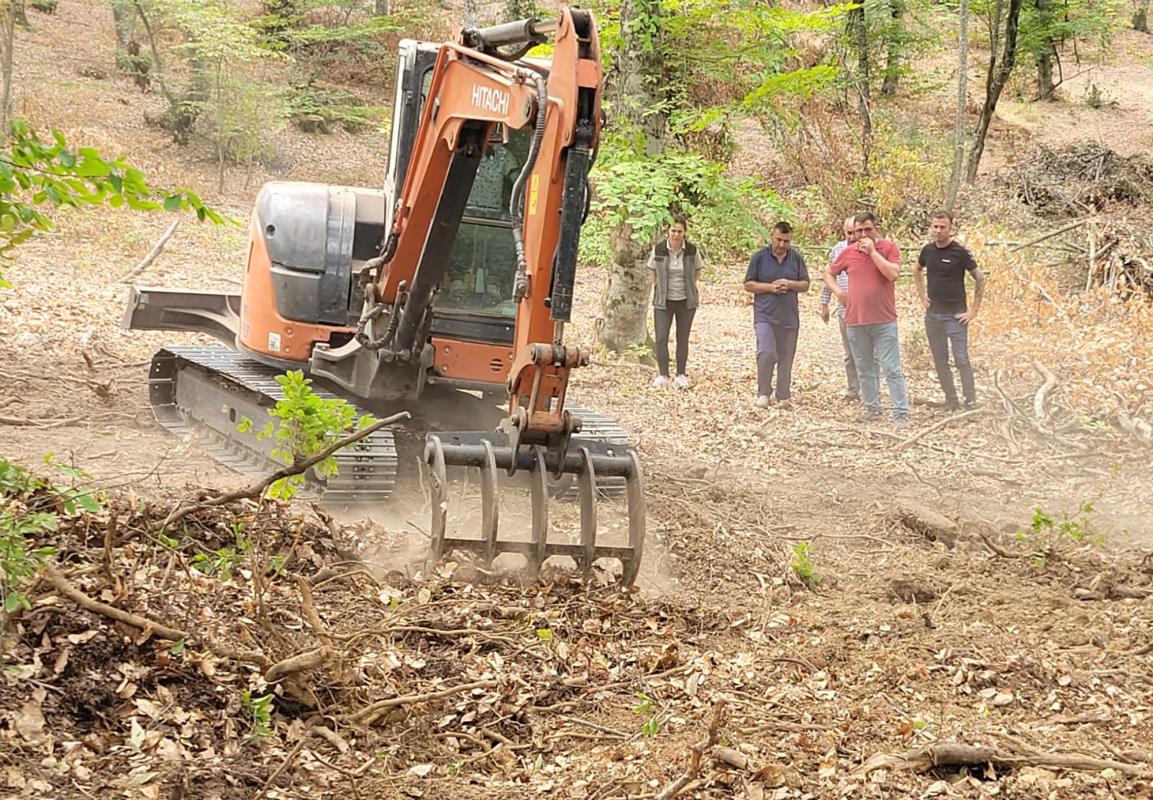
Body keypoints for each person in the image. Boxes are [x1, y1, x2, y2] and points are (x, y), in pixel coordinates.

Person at [825, 212, 910, 427]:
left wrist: (872, 252)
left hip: (884, 320)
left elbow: (892, 274)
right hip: (855, 321)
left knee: (891, 368)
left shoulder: (889, 248)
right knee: (863, 368)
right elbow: (829, 273)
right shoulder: (847, 252)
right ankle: (872, 407)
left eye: (867, 230)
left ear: (875, 229)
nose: (862, 235)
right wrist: (838, 293)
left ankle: (900, 412)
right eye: (858, 231)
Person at [914, 210, 987, 411]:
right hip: (933, 316)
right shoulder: (927, 250)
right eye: (935, 226)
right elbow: (917, 270)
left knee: (962, 360)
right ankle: (951, 400)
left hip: (956, 317)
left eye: (942, 227)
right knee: (940, 360)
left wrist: (973, 311)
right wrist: (922, 295)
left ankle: (970, 402)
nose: (938, 231)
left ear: (950, 228)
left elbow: (980, 279)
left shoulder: (960, 253)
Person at [744, 221, 810, 408]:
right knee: (766, 352)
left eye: (786, 241)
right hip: (764, 315)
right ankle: (763, 392)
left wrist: (789, 284)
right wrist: (770, 287)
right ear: (772, 237)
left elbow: (805, 284)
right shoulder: (759, 258)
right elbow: (748, 284)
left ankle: (783, 395)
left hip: (789, 317)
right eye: (779, 240)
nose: (782, 245)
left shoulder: (796, 258)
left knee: (786, 357)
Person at [649, 214, 703, 388]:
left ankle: (681, 374)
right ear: (668, 231)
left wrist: (689, 286)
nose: (676, 235)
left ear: (684, 233)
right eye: (673, 231)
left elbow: (697, 270)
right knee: (661, 337)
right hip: (663, 301)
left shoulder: (692, 251)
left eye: (679, 231)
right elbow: (652, 270)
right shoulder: (658, 249)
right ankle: (663, 374)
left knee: (682, 337)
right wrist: (659, 287)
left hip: (686, 301)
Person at [819, 216, 860, 401]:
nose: (852, 237)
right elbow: (829, 277)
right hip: (844, 310)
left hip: (867, 310)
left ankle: (870, 390)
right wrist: (824, 303)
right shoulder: (837, 249)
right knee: (849, 354)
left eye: (855, 232)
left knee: (869, 353)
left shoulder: (868, 249)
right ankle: (853, 390)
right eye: (849, 233)